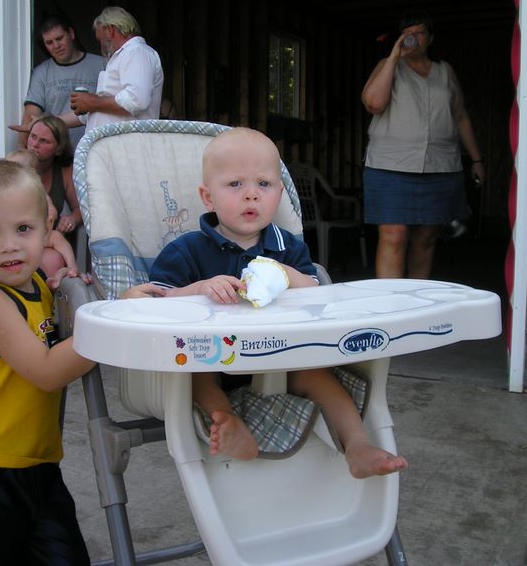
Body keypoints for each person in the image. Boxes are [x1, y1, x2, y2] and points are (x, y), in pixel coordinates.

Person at [148, 127, 407, 479]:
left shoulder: (287, 247)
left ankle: (357, 444)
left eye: (264, 185)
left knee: (318, 375)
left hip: (280, 357)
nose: (251, 195)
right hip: (212, 357)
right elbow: (158, 300)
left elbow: (318, 291)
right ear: (207, 197)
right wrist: (201, 288)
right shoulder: (187, 250)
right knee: (195, 375)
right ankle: (231, 425)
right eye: (235, 185)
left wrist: (285, 275)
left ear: (280, 194)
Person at [0, 159, 160, 564]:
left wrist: (72, 303)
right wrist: (109, 319)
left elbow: (62, 341)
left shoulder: (36, 283)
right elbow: (46, 371)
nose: (9, 245)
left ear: (47, 228)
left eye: (23, 229)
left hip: (39, 467)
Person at [361, 10, 485, 279]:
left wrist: (476, 159)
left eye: (419, 33)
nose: (413, 38)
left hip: (440, 166)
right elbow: (373, 103)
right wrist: (394, 57)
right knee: (394, 235)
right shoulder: (388, 64)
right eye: (407, 33)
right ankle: (390, 308)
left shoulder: (445, 71)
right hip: (390, 166)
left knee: (426, 238)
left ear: (430, 39)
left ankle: (417, 301)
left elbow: (460, 115)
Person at [16, 13, 106, 150]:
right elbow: (31, 117)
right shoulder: (41, 73)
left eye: (59, 38)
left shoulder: (102, 65)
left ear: (71, 33)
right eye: (49, 42)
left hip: (96, 150)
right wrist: (24, 153)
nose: (56, 45)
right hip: (57, 153)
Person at [68, 6, 164, 133]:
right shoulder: (125, 55)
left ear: (110, 30)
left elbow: (136, 100)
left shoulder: (136, 52)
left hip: (128, 147)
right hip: (115, 148)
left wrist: (93, 101)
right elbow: (96, 113)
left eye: (99, 39)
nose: (100, 46)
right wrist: (53, 121)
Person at [6, 149, 79, 287]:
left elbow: (52, 211)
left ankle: (72, 267)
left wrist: (49, 215)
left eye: (16, 172)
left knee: (57, 237)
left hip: (38, 236)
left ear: (33, 175)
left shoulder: (38, 193)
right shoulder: (4, 195)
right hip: (16, 238)